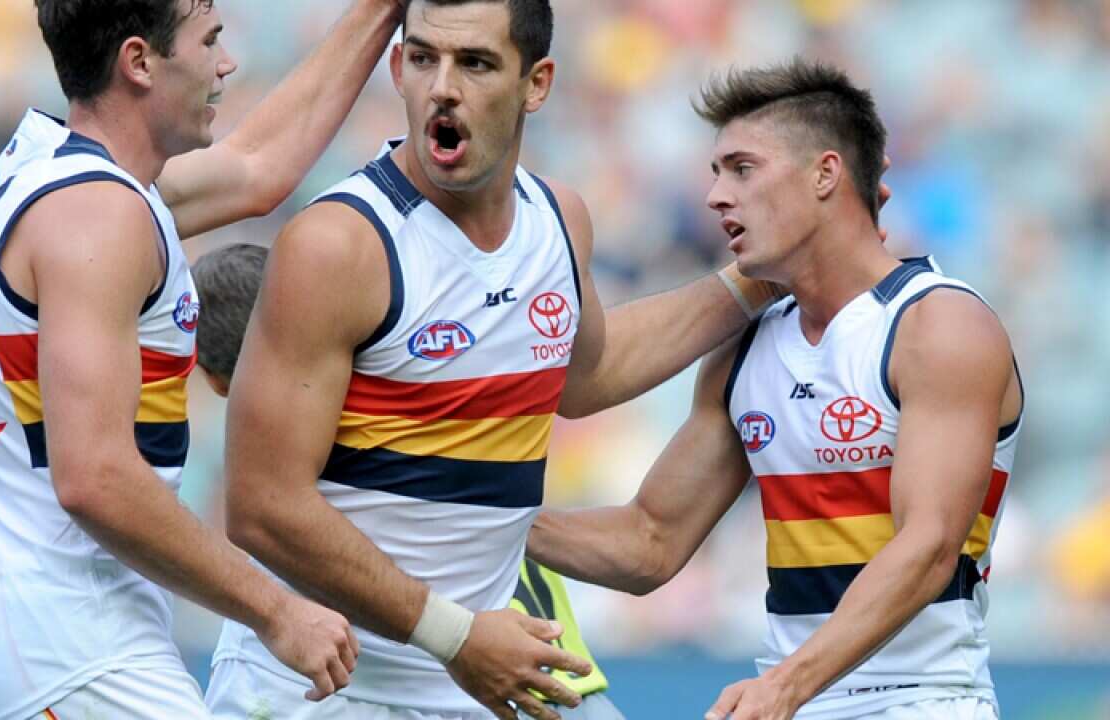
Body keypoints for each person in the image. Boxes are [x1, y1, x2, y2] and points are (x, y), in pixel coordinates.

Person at [214, 1, 784, 718]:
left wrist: (753, 284)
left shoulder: (559, 219)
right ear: (397, 67)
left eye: (475, 63)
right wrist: (453, 636)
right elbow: (261, 507)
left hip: (487, 670)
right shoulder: (340, 244)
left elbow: (586, 376)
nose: (442, 88)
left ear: (536, 84)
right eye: (423, 59)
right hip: (329, 688)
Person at [0, 1, 405, 718]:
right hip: (70, 652)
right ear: (139, 62)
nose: (226, 64)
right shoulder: (98, 214)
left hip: (34, 636)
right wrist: (277, 610)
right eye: (211, 41)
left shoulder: (65, 175)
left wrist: (382, 10)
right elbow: (93, 476)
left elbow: (257, 167)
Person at [527, 59, 1024, 720]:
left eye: (742, 168)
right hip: (792, 698)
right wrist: (477, 514)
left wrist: (787, 684)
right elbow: (648, 542)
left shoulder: (939, 325)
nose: (715, 197)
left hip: (923, 700)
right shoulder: (747, 348)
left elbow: (929, 547)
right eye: (714, 174)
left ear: (824, 174)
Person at [190, 244, 624, 720]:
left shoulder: (302, 506)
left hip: (498, 685)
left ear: (213, 379)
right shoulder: (445, 420)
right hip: (541, 685)